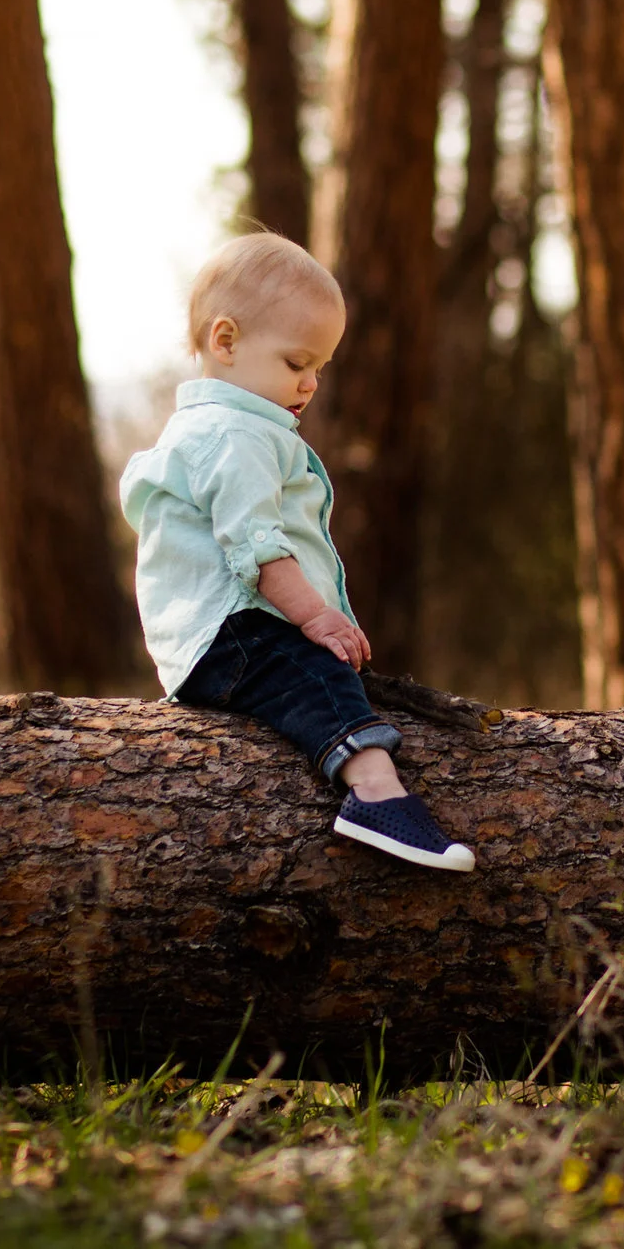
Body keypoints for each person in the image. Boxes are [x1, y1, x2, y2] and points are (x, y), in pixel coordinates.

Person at [119, 232, 475, 872]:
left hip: (210, 643)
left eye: (319, 368)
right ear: (226, 341)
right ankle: (374, 795)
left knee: (317, 673)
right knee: (316, 674)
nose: (310, 383)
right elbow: (258, 549)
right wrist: (315, 616)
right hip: (232, 631)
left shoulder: (212, 427)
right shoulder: (237, 434)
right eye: (295, 362)